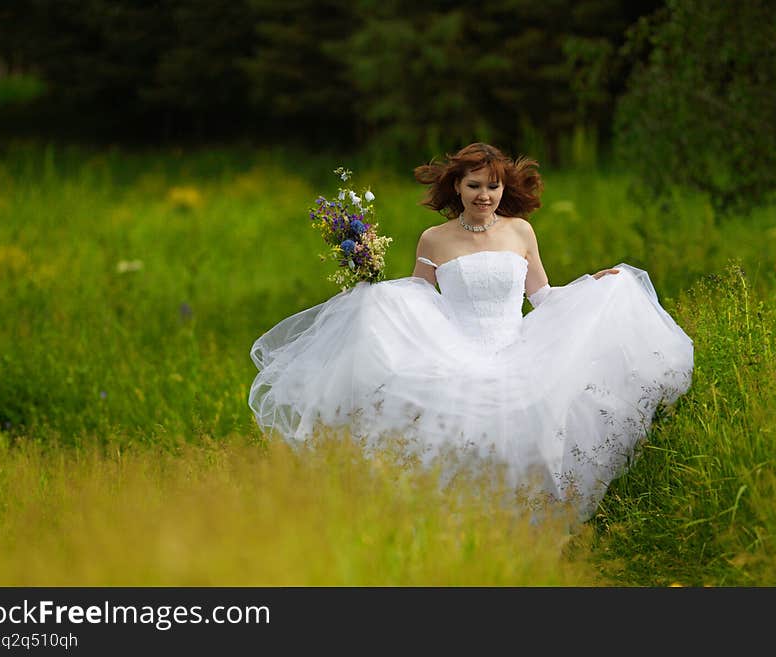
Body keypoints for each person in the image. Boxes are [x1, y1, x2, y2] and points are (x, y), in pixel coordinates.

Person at [249, 143, 693, 521]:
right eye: (474, 185)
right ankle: (458, 528)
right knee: (456, 443)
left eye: (493, 186)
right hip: (455, 351)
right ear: (457, 188)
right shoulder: (434, 239)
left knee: (532, 433)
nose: (485, 195)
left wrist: (596, 286)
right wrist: (371, 292)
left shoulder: (520, 231)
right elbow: (419, 298)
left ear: (505, 188)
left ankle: (525, 525)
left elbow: (541, 296)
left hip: (518, 347)